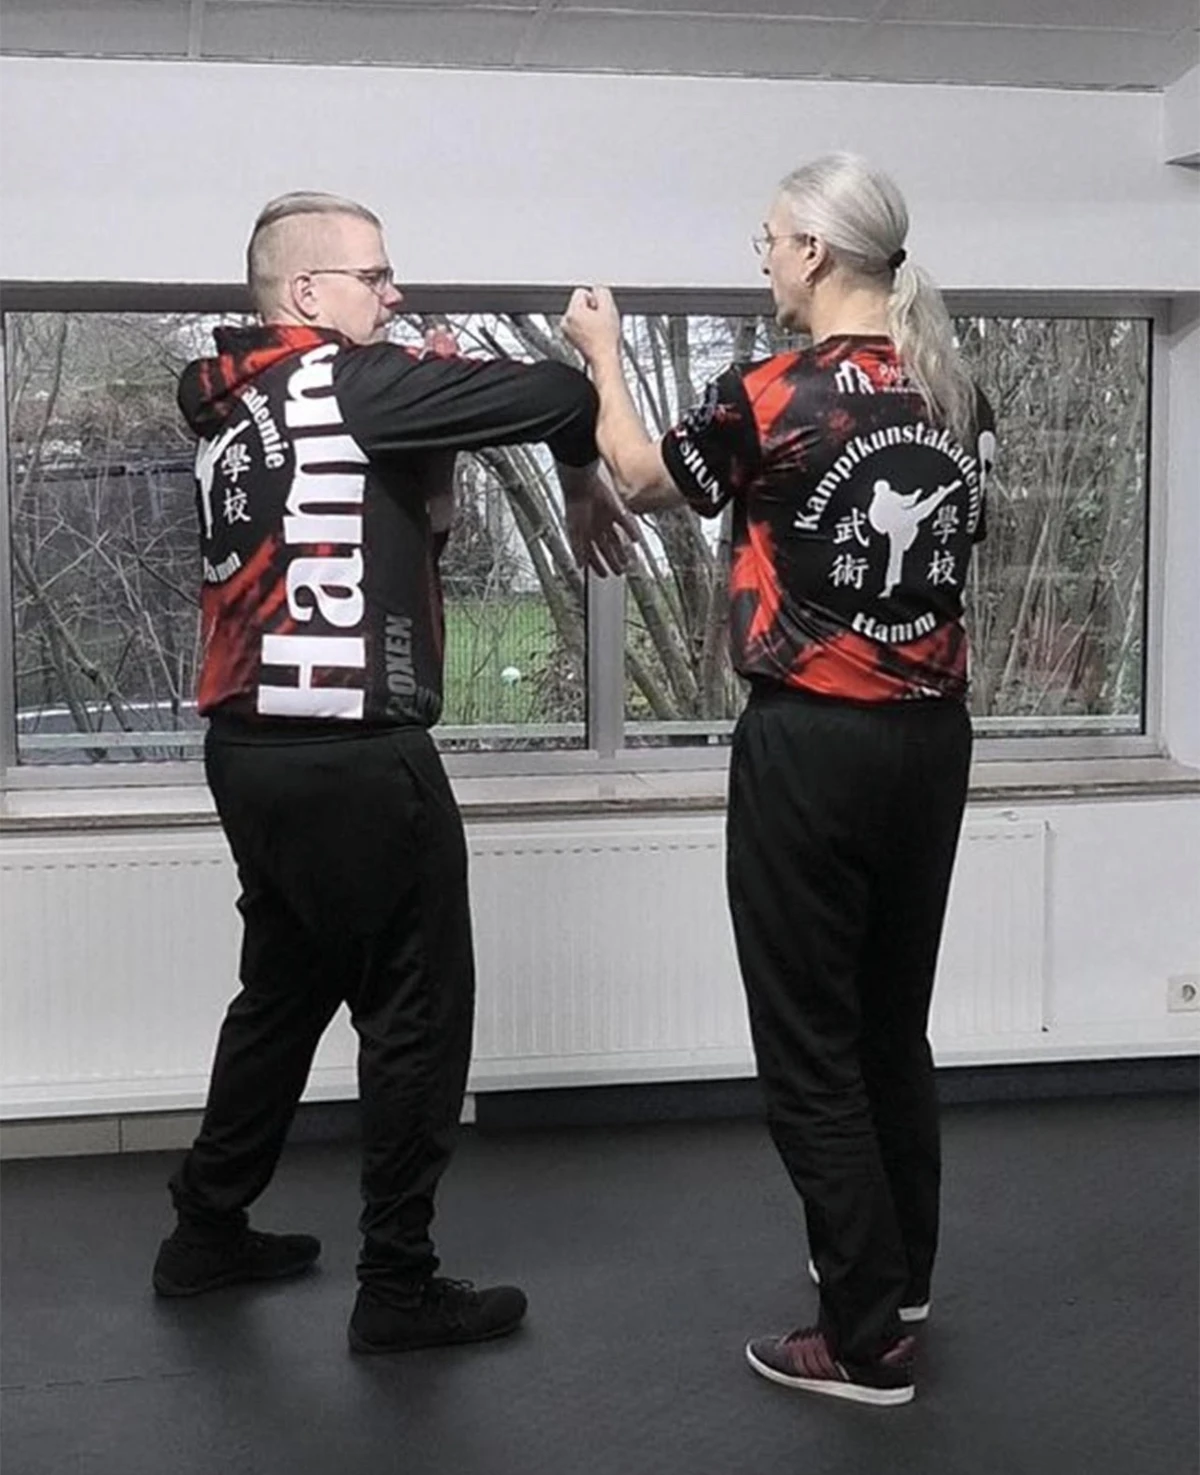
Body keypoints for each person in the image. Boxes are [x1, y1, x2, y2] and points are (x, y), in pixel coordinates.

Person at [154, 190, 633, 1355]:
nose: (395, 293)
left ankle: (205, 1228)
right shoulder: (351, 382)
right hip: (357, 759)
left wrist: (430, 445)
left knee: (284, 990)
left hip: (252, 751)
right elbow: (565, 393)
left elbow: (388, 526)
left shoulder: (236, 403)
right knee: (414, 1012)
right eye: (375, 276)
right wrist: (580, 472)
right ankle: (400, 1283)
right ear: (308, 295)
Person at [562, 153, 995, 1406]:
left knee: (809, 1047)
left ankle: (862, 1340)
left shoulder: (774, 390)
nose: (761, 263)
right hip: (933, 739)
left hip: (816, 741)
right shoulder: (954, 387)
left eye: (766, 242)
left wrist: (603, 345)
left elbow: (642, 478)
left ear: (812, 251)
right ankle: (900, 1276)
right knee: (886, 1024)